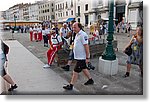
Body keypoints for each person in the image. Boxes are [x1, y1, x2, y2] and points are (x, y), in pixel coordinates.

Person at [63, 22, 94, 90]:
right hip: (78, 56)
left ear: (79, 27)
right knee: (84, 69)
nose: (73, 29)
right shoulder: (77, 34)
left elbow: (86, 46)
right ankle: (90, 80)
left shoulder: (83, 34)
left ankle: (71, 85)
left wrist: (87, 57)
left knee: (75, 71)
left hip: (81, 57)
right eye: (73, 27)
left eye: (75, 27)